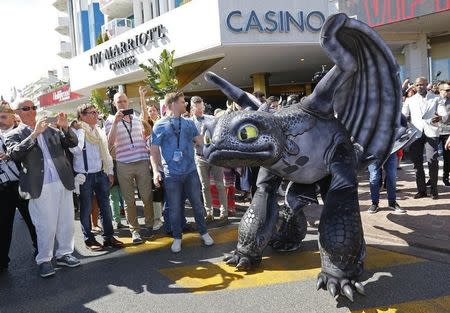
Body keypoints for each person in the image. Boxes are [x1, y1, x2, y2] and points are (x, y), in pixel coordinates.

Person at [5, 98, 80, 278]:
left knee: (66, 221)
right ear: (17, 112)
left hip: (62, 180)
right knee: (45, 225)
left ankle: (64, 253)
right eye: (26, 108)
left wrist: (64, 127)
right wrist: (34, 134)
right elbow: (14, 154)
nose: (31, 111)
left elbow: (72, 143)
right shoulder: (13, 134)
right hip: (40, 185)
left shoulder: (51, 129)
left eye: (33, 107)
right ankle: (44, 260)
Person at [150, 91, 214, 253]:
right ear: (172, 104)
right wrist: (156, 172)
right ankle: (177, 237)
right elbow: (154, 151)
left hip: (191, 171)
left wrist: (212, 150)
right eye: (182, 102)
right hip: (171, 174)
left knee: (198, 205)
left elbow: (200, 142)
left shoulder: (189, 123)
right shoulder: (159, 125)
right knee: (175, 208)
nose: (185, 104)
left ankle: (204, 232)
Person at [69, 103, 124, 251]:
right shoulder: (75, 131)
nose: (95, 114)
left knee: (105, 208)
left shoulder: (98, 131)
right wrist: (80, 131)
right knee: (86, 209)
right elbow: (75, 150)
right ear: (82, 115)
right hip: (84, 176)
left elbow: (105, 152)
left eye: (95, 112)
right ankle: (89, 239)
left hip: (101, 173)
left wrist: (110, 172)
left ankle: (108, 237)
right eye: (91, 112)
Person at [105, 92, 155, 243]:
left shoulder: (137, 118)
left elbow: (145, 134)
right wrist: (115, 122)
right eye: (119, 101)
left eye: (124, 101)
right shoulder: (110, 121)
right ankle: (135, 231)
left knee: (146, 196)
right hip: (123, 164)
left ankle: (149, 225)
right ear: (114, 104)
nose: (122, 104)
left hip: (141, 161)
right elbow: (109, 142)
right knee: (129, 200)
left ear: (128, 102)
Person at [0, 102, 37, 273]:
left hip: (22, 183)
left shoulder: (22, 132)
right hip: (3, 188)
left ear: (12, 116)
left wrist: (9, 155)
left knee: (32, 220)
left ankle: (41, 251)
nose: (0, 120)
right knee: (3, 225)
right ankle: (2, 261)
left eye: (3, 116)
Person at [402, 77, 448, 199]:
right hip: (415, 134)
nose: (419, 87)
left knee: (432, 160)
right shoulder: (409, 100)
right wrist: (405, 125)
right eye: (417, 85)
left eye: (422, 85)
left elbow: (444, 113)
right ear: (415, 87)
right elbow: (403, 115)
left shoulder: (436, 98)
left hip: (431, 132)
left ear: (426, 85)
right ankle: (421, 190)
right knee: (417, 163)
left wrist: (440, 117)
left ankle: (434, 189)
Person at [190, 96, 228, 223]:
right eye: (198, 108)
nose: (201, 110)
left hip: (214, 156)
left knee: (220, 184)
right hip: (200, 157)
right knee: (205, 186)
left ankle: (224, 213)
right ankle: (209, 212)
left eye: (202, 108)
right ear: (192, 108)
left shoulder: (212, 119)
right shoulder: (189, 123)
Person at [438, 81, 450, 186]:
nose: (448, 92)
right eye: (446, 90)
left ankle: (446, 177)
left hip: (448, 132)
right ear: (440, 91)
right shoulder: (434, 101)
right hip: (435, 131)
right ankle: (432, 178)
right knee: (432, 156)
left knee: (447, 157)